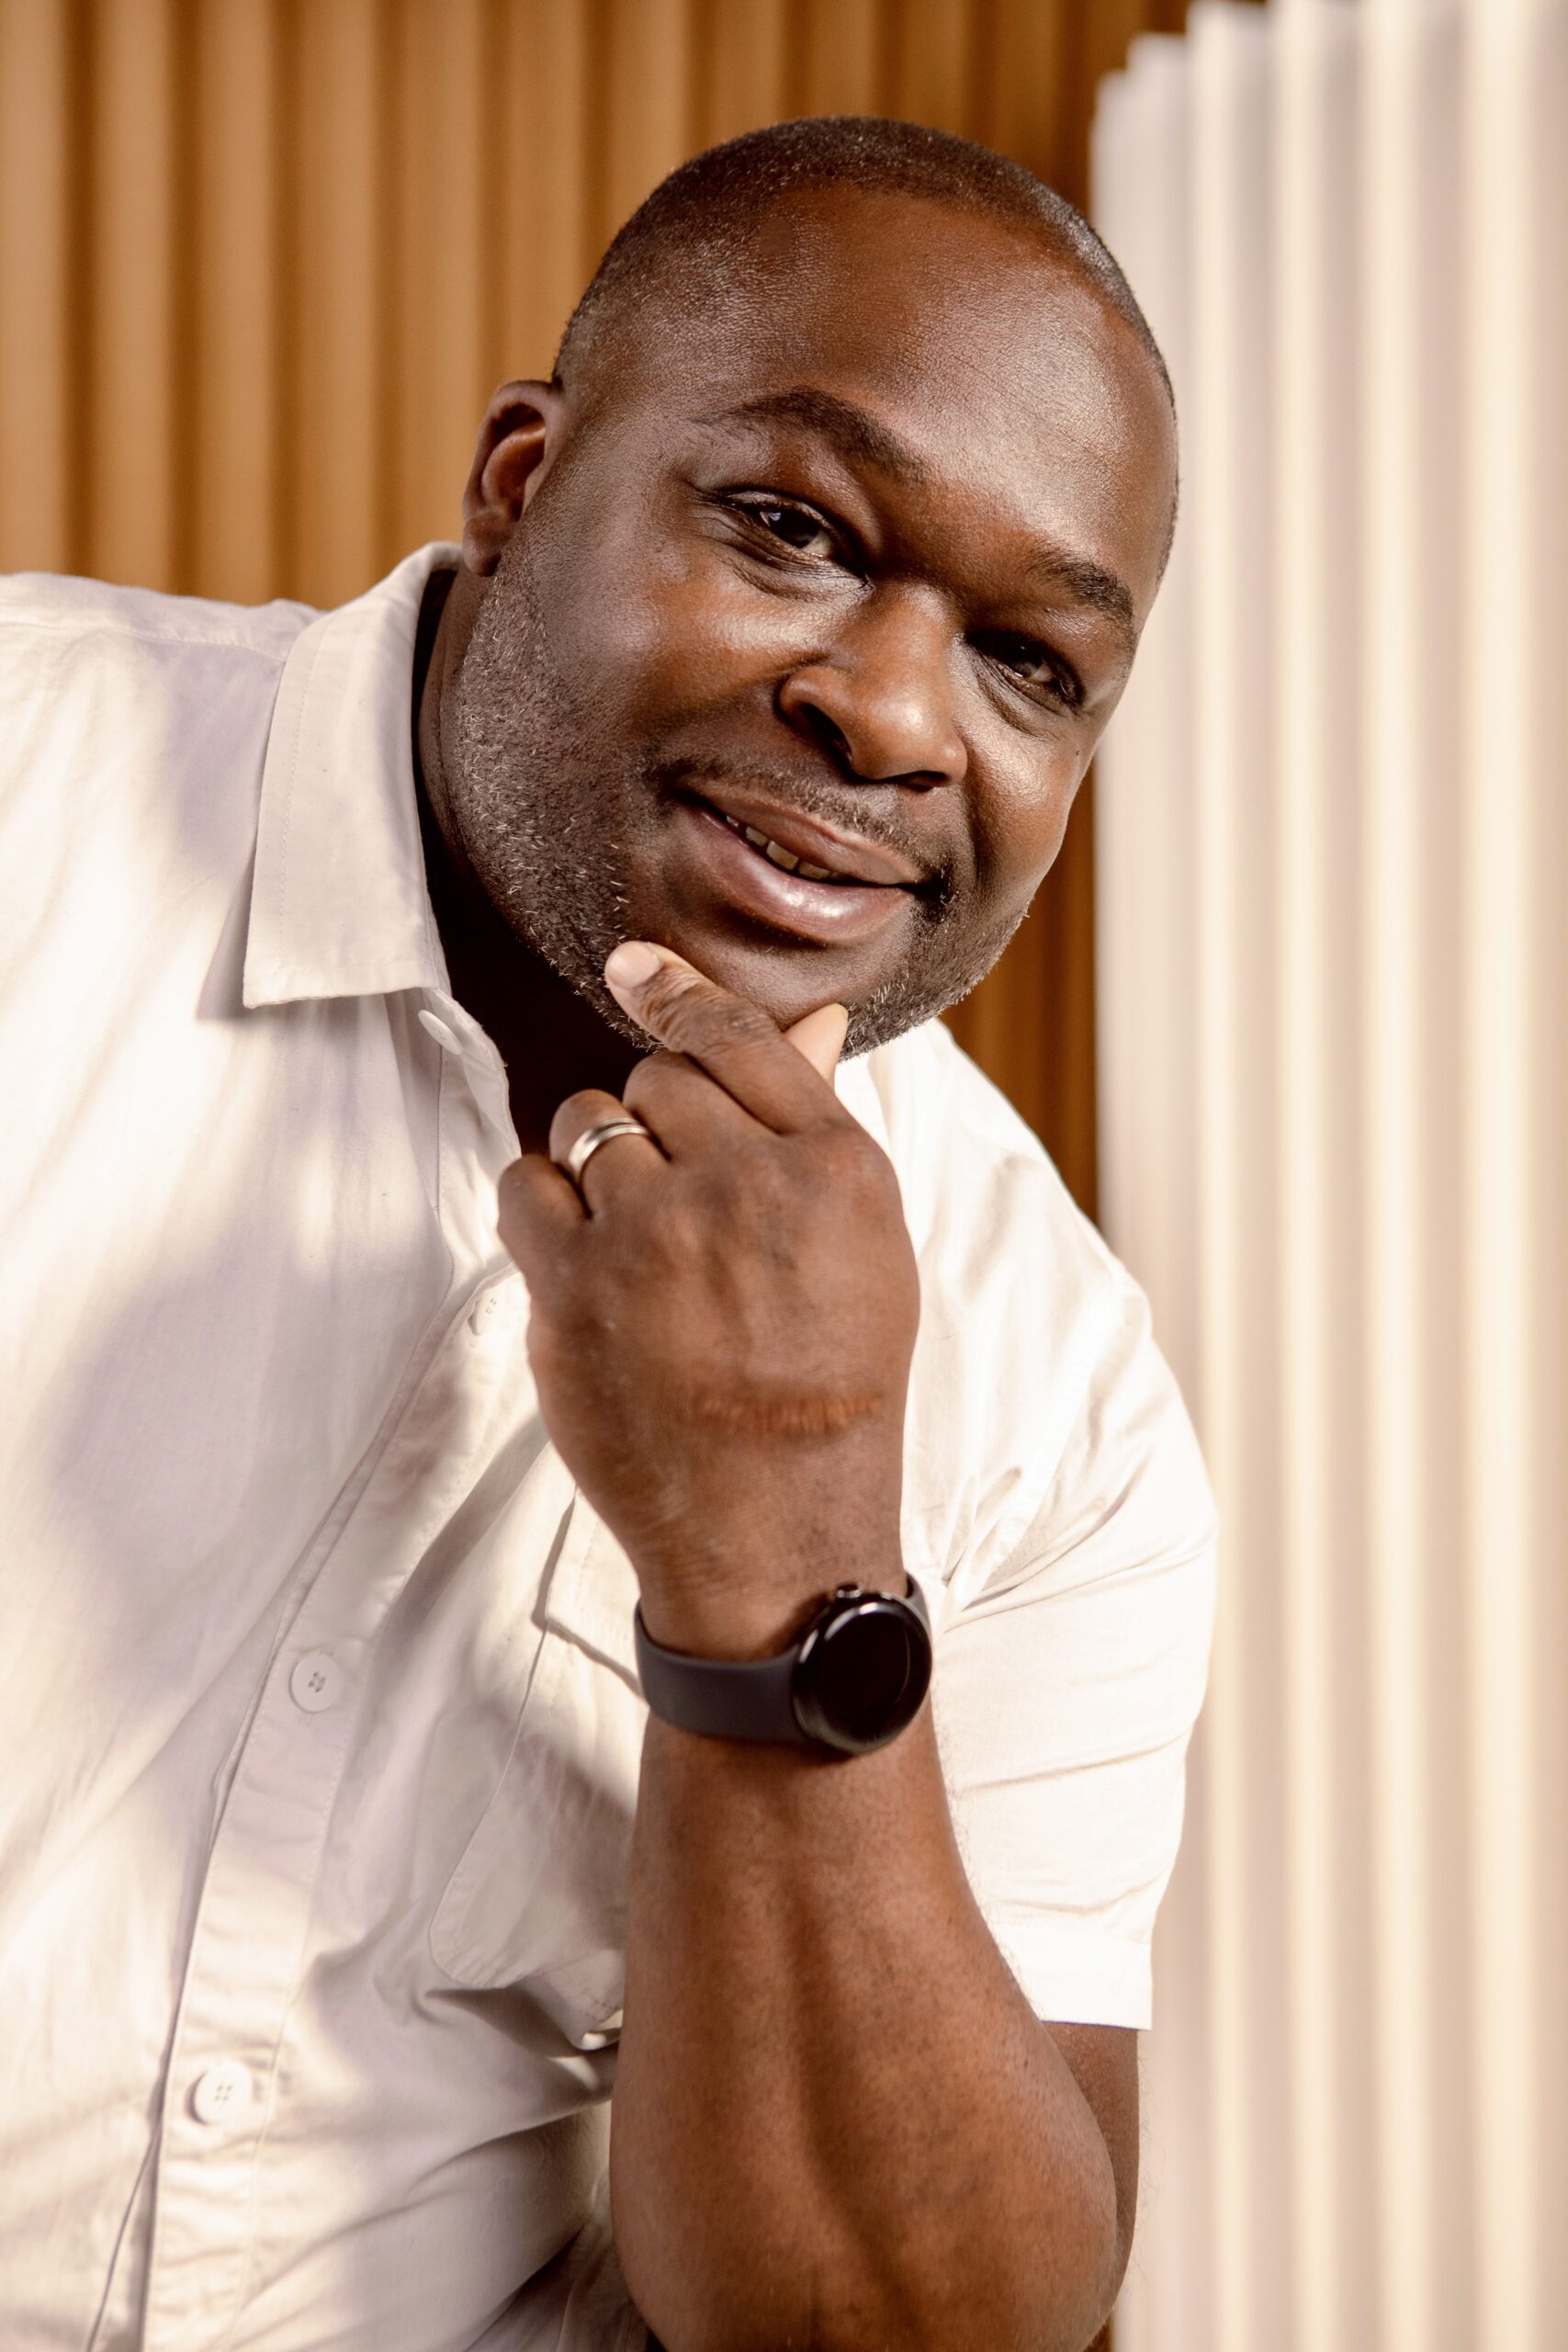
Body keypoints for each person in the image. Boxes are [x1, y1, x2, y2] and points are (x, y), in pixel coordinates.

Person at [0, 118, 1213, 2352]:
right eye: (789, 528)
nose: (890, 712)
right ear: (525, 475)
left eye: (1033, 664)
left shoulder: (1062, 1403)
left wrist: (784, 1552)